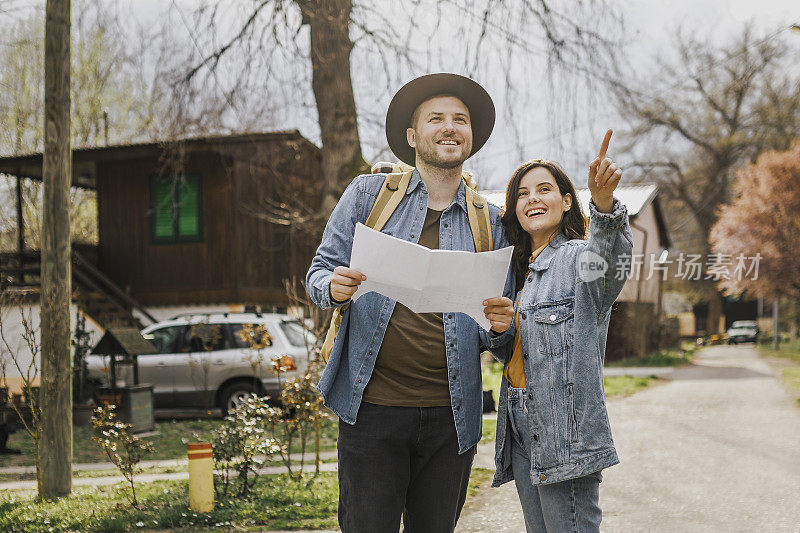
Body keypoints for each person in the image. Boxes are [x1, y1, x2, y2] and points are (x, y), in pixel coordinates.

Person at [305, 73, 515, 532]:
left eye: (460, 119)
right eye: (435, 118)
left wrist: (500, 326)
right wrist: (333, 287)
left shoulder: (492, 223)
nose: (449, 127)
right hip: (370, 411)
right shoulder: (367, 195)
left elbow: (497, 332)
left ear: (471, 136)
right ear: (412, 136)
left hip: (451, 418)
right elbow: (318, 272)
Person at [490, 131, 633, 532]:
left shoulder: (576, 259)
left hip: (564, 430)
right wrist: (501, 330)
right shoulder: (519, 273)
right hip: (518, 421)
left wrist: (603, 203)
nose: (532, 198)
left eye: (544, 189)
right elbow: (517, 353)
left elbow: (612, 261)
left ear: (567, 201)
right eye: (522, 193)